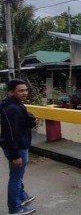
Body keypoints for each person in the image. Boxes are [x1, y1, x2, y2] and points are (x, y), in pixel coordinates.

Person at [0, 79, 36, 215]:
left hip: (20, 143)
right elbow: (10, 134)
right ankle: (14, 208)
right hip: (17, 147)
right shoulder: (12, 109)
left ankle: (21, 196)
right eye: (20, 91)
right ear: (11, 92)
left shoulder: (14, 104)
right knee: (16, 176)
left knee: (18, 175)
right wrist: (15, 155)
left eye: (25, 90)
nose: (24, 93)